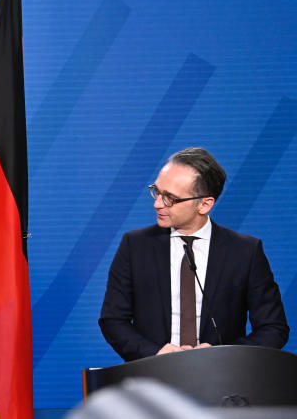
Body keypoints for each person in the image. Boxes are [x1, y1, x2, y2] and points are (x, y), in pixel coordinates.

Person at [99, 147, 288, 361]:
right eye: (157, 191)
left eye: (170, 198)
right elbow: (113, 320)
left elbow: (273, 328)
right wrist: (154, 354)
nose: (157, 203)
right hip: (152, 379)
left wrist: (222, 355)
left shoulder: (245, 252)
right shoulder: (135, 246)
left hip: (223, 380)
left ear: (204, 204)